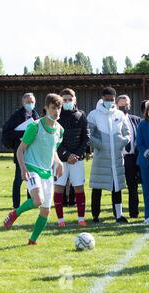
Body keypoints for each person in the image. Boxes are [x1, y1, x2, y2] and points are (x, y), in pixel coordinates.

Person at [3, 94, 64, 245]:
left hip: (47, 173)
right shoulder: (34, 126)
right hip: (32, 169)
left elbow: (52, 151)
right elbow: (20, 150)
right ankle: (14, 213)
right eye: (53, 108)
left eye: (59, 108)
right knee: (37, 201)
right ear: (46, 108)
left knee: (45, 211)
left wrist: (59, 163)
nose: (57, 111)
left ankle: (32, 241)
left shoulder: (60, 130)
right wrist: (23, 169)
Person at [87, 87, 131, 223]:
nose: (109, 102)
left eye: (111, 100)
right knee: (97, 186)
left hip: (116, 158)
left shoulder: (119, 114)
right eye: (107, 99)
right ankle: (95, 216)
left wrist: (122, 142)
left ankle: (119, 215)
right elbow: (89, 134)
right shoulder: (93, 115)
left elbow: (127, 132)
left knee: (116, 186)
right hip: (101, 157)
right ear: (102, 98)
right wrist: (98, 145)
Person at [54, 88, 89, 227]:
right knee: (59, 189)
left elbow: (86, 138)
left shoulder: (81, 115)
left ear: (75, 100)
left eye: (70, 99)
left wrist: (77, 155)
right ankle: (60, 221)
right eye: (64, 100)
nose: (67, 102)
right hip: (59, 161)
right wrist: (66, 155)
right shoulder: (56, 117)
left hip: (77, 160)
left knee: (79, 188)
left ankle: (81, 219)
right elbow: (54, 140)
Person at [2, 93, 40, 210]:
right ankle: (16, 205)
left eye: (32, 102)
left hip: (32, 152)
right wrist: (24, 134)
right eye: (28, 102)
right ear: (23, 103)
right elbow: (7, 132)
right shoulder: (16, 115)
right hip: (20, 151)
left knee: (32, 178)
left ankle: (31, 201)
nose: (30, 104)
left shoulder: (35, 114)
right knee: (19, 179)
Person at [117, 94, 141, 218]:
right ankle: (118, 214)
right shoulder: (113, 120)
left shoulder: (136, 119)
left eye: (126, 105)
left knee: (133, 186)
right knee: (117, 186)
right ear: (116, 105)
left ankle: (134, 213)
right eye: (121, 105)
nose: (124, 107)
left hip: (132, 157)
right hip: (118, 157)